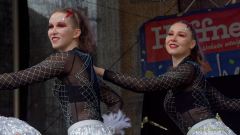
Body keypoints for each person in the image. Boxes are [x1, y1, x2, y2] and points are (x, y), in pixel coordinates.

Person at [94, 21, 240, 135]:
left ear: (192, 44)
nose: (173, 38)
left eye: (181, 35)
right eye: (170, 34)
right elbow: (226, 103)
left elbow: (143, 85)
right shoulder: (192, 78)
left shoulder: (189, 69)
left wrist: (99, 71)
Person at [0, 8, 130, 135]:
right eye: (50, 26)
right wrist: (105, 129)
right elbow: (115, 100)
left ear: (76, 33)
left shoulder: (66, 58)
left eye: (60, 25)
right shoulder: (83, 63)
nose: (53, 31)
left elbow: (17, 79)